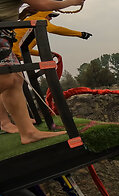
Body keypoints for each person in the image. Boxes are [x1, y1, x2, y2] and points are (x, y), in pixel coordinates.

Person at [0, 0, 85, 144]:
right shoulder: (41, 19)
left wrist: (22, 14)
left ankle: (29, 132)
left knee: (15, 79)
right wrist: (72, 2)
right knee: (8, 79)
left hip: (5, 37)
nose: (50, 18)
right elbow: (43, 4)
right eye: (50, 16)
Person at [13, 10, 92, 59]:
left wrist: (49, 54)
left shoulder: (32, 25)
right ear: (43, 14)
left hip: (13, 54)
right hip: (13, 54)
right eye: (50, 15)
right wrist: (80, 34)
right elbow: (56, 29)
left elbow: (27, 50)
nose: (51, 18)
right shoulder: (39, 19)